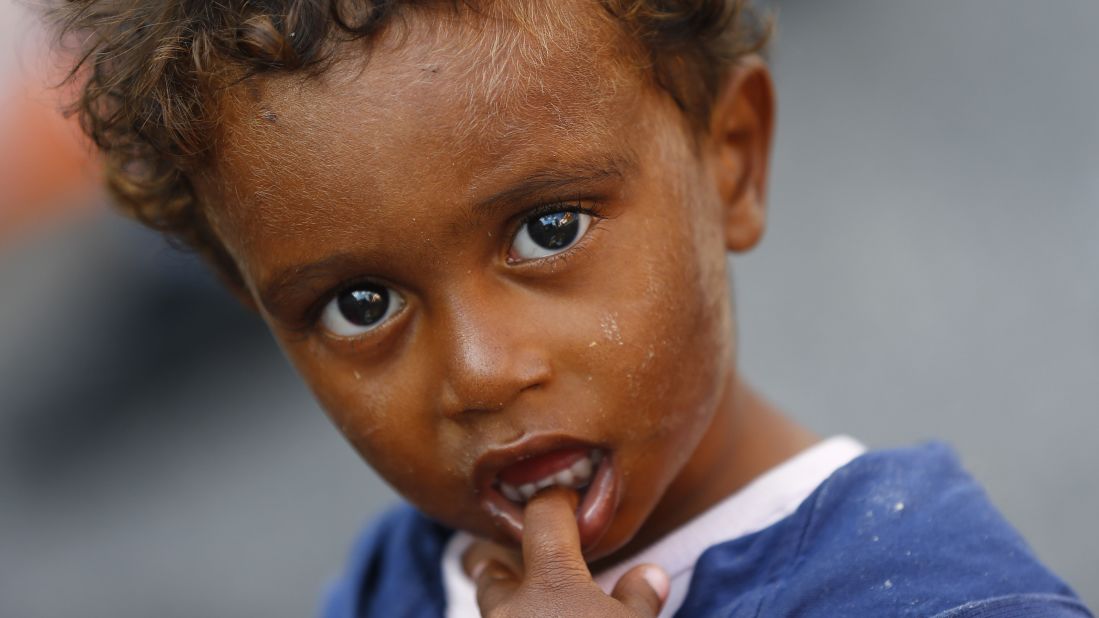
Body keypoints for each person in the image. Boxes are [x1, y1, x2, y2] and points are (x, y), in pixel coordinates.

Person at [47, 1, 1090, 616]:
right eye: (360, 304)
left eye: (549, 230)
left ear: (728, 162)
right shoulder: (397, 580)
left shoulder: (931, 593)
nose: (481, 371)